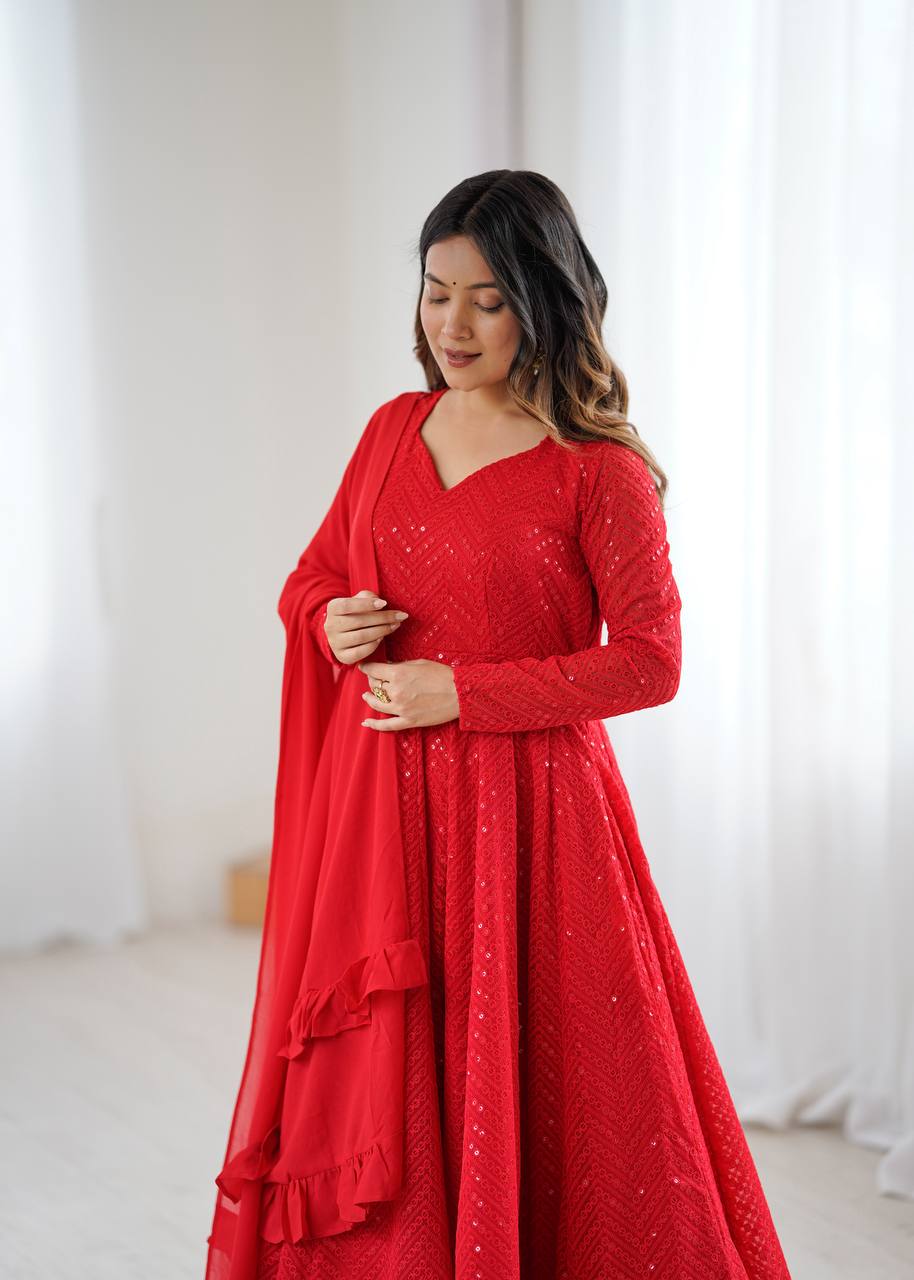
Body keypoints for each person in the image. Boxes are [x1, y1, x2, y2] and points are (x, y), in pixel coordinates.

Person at [205, 170, 792, 1280]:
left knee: (565, 1089)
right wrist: (328, 619)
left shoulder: (598, 469)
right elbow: (311, 575)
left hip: (536, 828)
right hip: (384, 822)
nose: (453, 325)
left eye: (487, 299)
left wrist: (465, 693)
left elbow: (651, 661)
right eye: (436, 294)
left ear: (544, 301)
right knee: (390, 1082)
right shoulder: (392, 430)